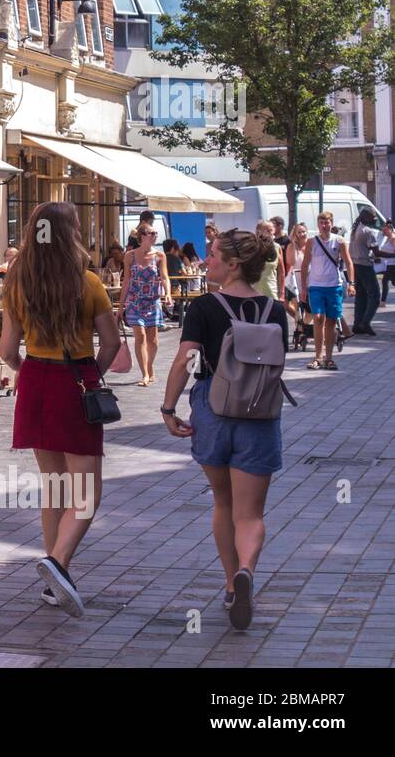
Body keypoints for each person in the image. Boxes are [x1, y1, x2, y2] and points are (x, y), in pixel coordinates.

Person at [160, 229, 288, 631]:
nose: (207, 260)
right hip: (260, 415)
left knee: (223, 502)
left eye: (214, 254)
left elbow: (185, 361)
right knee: (251, 513)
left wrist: (168, 407)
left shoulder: (204, 307)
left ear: (233, 264)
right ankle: (248, 569)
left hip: (213, 412)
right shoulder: (274, 309)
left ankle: (231, 584)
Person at [0, 201, 121, 617]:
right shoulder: (88, 283)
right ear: (71, 233)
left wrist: (27, 370)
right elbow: (112, 343)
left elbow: (6, 350)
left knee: (54, 487)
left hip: (35, 379)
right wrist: (93, 375)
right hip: (76, 380)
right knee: (86, 493)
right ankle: (57, 564)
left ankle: (55, 580)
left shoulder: (18, 282)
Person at [117, 221, 172, 386]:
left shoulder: (160, 256)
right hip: (134, 301)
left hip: (152, 301)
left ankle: (149, 366)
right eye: (152, 233)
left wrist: (168, 293)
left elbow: (164, 277)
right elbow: (126, 281)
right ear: (142, 237)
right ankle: (145, 374)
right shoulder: (130, 256)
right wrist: (121, 306)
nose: (155, 235)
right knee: (140, 335)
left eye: (156, 233)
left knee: (153, 339)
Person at [299, 211, 355, 370]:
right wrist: (303, 287)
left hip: (334, 286)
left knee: (330, 321)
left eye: (327, 222)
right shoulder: (312, 242)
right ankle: (318, 356)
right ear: (318, 224)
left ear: (331, 223)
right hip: (316, 286)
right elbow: (304, 265)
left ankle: (329, 358)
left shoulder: (339, 241)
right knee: (318, 317)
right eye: (321, 223)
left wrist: (351, 283)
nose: (324, 226)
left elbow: (349, 263)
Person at [348, 207, 391, 335]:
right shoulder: (368, 231)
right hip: (365, 266)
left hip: (355, 264)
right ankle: (365, 322)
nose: (374, 220)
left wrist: (372, 257)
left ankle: (357, 324)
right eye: (373, 218)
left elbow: (364, 249)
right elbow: (377, 252)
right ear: (366, 217)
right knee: (375, 296)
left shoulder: (355, 229)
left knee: (361, 295)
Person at [250, 220, 286, 303]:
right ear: (258, 232)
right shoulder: (252, 247)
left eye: (271, 230)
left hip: (271, 291)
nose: (271, 233)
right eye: (267, 230)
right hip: (253, 291)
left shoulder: (277, 247)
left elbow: (281, 272)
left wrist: (282, 293)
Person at [283, 223, 310, 322]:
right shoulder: (291, 246)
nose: (302, 234)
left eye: (303, 231)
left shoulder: (311, 245)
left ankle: (304, 326)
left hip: (309, 280)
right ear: (295, 234)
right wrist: (294, 245)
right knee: (298, 309)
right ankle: (300, 328)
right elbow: (291, 262)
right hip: (294, 282)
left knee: (310, 311)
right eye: (299, 232)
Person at [379, 222, 395, 305]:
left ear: (390, 230)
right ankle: (383, 301)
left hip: (393, 264)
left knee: (385, 281)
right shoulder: (387, 239)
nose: (384, 232)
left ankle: (383, 301)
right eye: (383, 230)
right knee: (389, 281)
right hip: (389, 264)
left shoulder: (393, 239)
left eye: (385, 230)